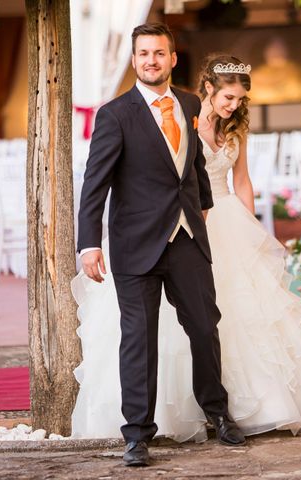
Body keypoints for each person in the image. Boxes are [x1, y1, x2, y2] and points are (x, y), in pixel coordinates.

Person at [72, 51, 301, 449]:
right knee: (145, 333)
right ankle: (143, 427)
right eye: (228, 98)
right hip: (165, 229)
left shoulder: (228, 125)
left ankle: (226, 409)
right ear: (210, 89)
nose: (234, 106)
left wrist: (250, 228)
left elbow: (241, 180)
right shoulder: (182, 115)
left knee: (213, 324)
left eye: (240, 100)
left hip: (219, 222)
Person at [76, 23, 245, 468]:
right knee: (139, 340)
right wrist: (89, 244)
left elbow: (192, 166)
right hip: (135, 246)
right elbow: (95, 185)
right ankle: (136, 435)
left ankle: (218, 414)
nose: (151, 60)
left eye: (159, 53)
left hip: (187, 238)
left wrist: (204, 207)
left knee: (205, 328)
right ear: (135, 60)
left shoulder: (191, 104)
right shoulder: (114, 115)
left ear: (173, 59)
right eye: (143, 53)